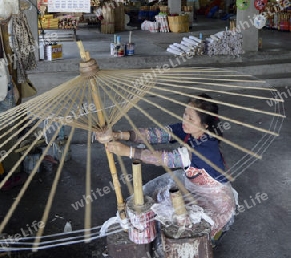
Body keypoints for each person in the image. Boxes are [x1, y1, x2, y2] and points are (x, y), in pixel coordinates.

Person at [95, 95, 237, 245]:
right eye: (185, 114)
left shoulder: (205, 148)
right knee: (160, 198)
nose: (185, 120)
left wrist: (128, 151)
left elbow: (165, 158)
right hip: (194, 186)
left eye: (191, 119)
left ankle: (204, 241)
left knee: (181, 222)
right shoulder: (191, 131)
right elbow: (158, 134)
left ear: (205, 125)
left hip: (214, 199)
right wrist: (119, 134)